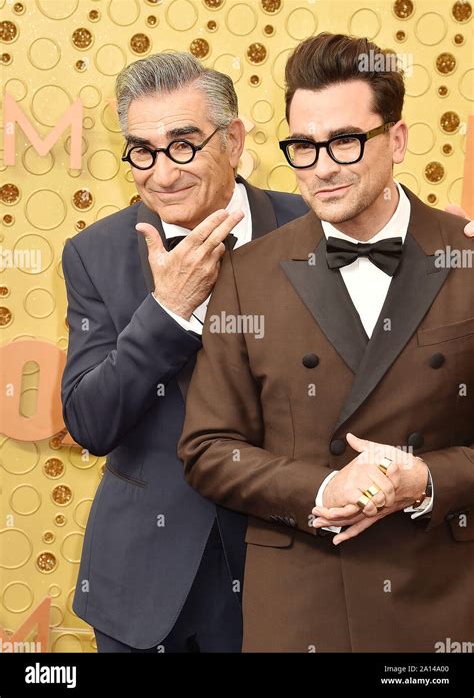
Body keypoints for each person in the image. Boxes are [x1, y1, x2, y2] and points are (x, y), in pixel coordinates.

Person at [178, 33, 474, 652]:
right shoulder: (247, 273)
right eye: (303, 147)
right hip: (301, 603)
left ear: (395, 139)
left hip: (448, 599)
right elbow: (208, 448)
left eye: (344, 141)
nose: (322, 167)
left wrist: (424, 478)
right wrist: (320, 489)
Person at [61, 52, 308, 652]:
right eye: (141, 151)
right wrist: (166, 313)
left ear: (234, 139)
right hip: (142, 586)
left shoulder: (317, 229)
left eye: (183, 145)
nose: (162, 175)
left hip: (292, 573)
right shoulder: (93, 253)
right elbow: (90, 422)